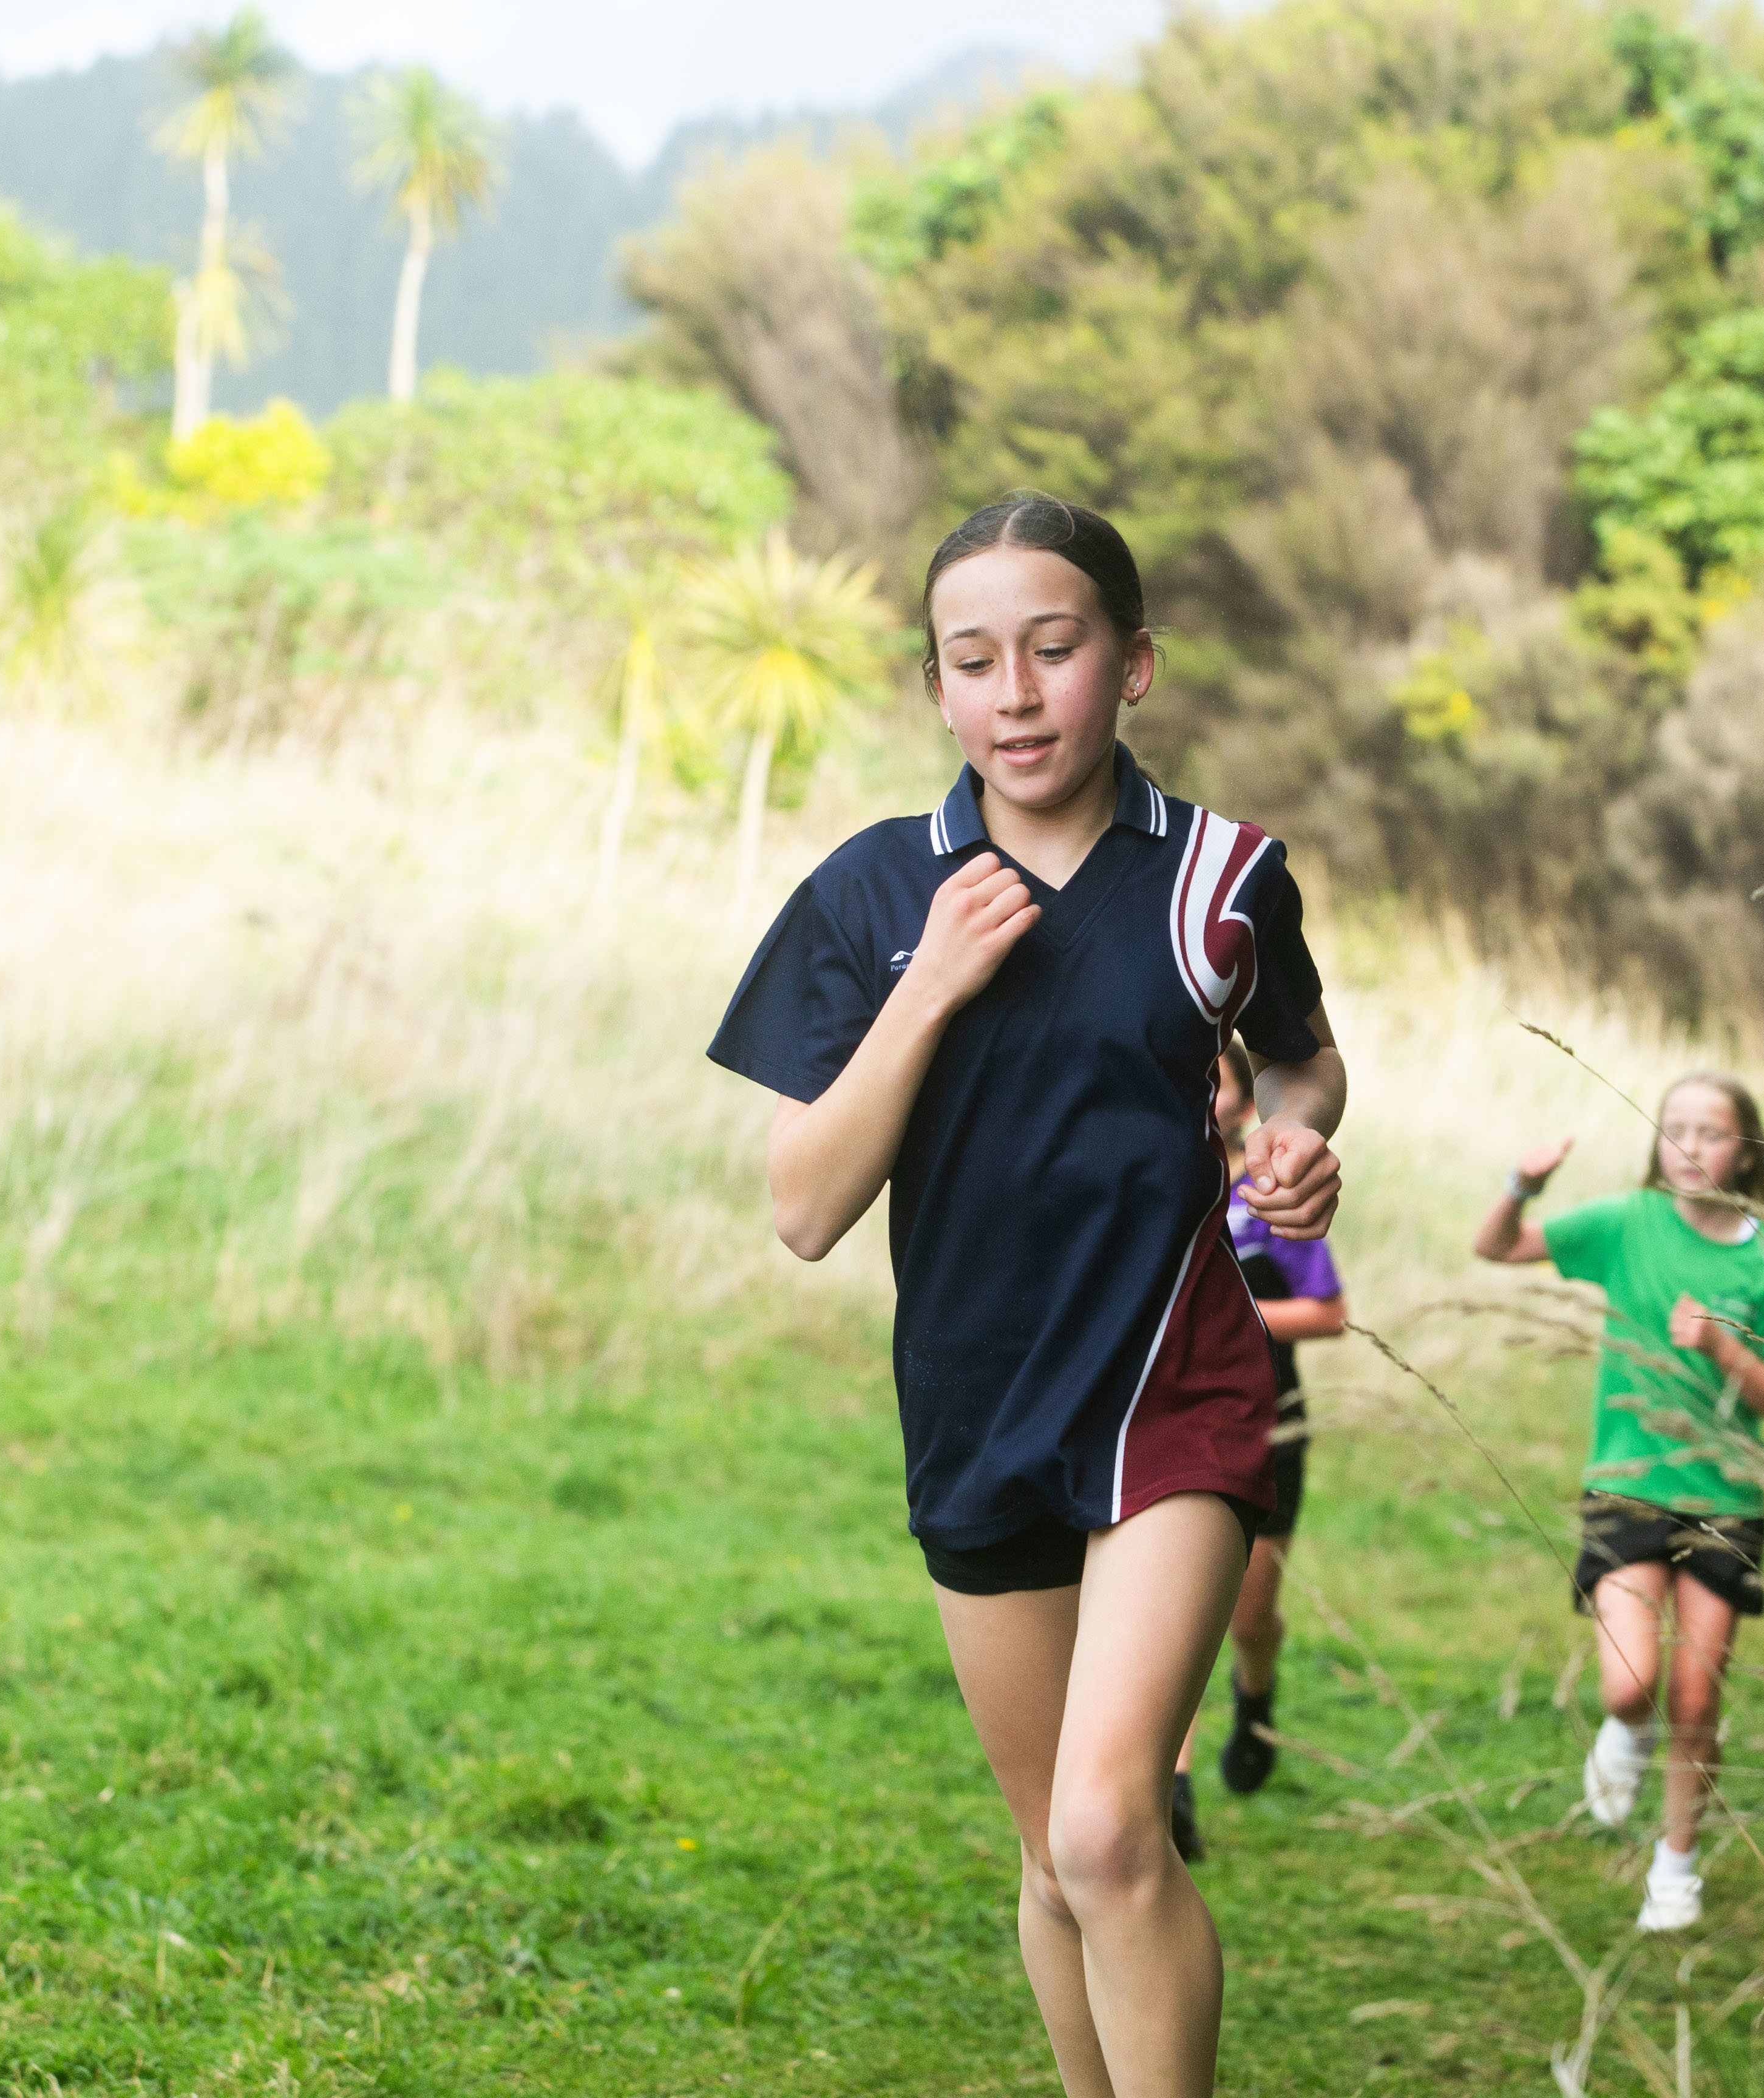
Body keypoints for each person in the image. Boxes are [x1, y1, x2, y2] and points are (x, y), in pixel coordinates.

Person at [705, 492, 1346, 2098]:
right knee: (1054, 1860)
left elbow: (1306, 1065)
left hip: (1175, 1386)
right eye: (973, 660)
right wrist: (931, 983)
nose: (1015, 692)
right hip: (979, 1404)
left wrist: (1294, 1143)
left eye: (1053, 650)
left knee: (1108, 1820)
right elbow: (805, 1208)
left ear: (1132, 665)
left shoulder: (1220, 879)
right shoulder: (867, 898)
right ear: (935, 689)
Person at [1472, 1073, 1764, 1935]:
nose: (1692, 1147)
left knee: (1698, 1700)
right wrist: (1523, 1181)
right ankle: (1623, 1734)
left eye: (1711, 1133)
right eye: (1677, 1130)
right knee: (1631, 1682)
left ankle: (1676, 1866)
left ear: (1744, 1149)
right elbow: (1498, 1247)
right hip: (1627, 1480)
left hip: (1726, 1496)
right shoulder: (1627, 1224)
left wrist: (1726, 1351)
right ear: (1658, 1141)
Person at [1170, 1049, 1347, 1862]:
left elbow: (1329, 1312)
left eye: (1219, 1084)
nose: (1202, 1098)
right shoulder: (1145, 1188)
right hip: (1162, 1423)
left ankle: (1257, 1692)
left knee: (1246, 1613)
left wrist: (1227, 1314)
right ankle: (1168, 1787)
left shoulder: (1267, 1196)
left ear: (1247, 1103)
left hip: (1265, 1422)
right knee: (1170, 1611)